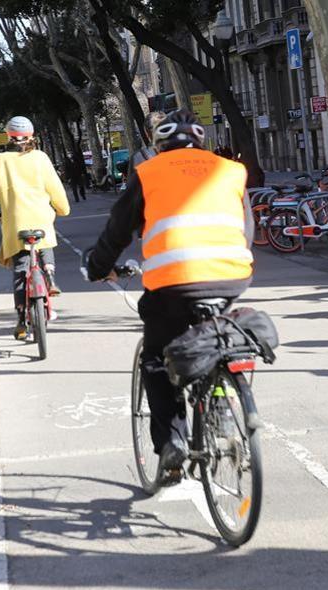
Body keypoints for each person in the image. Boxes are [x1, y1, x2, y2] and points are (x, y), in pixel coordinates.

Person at [84, 109, 255, 484]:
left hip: (172, 284)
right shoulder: (231, 171)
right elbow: (247, 228)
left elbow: (118, 230)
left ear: (158, 146)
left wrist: (98, 267)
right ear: (201, 142)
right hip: (231, 278)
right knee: (219, 338)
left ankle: (172, 442)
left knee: (157, 359)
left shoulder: (149, 173)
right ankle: (224, 405)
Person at [0, 116, 71, 339]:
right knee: (45, 243)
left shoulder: (0, 160)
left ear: (8, 136)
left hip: (16, 224)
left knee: (21, 270)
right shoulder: (41, 157)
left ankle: (21, 320)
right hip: (41, 220)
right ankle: (49, 275)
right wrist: (62, 209)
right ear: (32, 135)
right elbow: (56, 189)